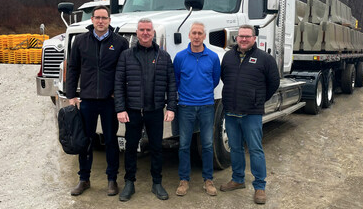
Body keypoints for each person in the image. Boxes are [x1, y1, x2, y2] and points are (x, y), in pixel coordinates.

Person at [66, 5, 129, 197]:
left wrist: (119, 96)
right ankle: (84, 179)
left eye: (104, 18)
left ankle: (112, 180)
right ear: (92, 20)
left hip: (109, 101)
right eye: (97, 18)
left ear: (110, 20)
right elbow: (73, 68)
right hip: (87, 100)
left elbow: (123, 72)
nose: (101, 21)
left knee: (111, 141)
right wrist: (71, 95)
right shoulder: (80, 41)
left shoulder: (120, 43)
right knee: (85, 141)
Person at [114, 18, 177, 202]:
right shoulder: (126, 55)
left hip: (155, 110)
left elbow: (171, 84)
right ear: (137, 32)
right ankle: (129, 182)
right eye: (141, 30)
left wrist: (171, 107)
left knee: (157, 147)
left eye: (148, 29)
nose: (145, 33)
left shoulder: (163, 56)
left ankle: (157, 182)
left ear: (153, 32)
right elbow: (118, 84)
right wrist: (120, 108)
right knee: (131, 147)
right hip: (132, 111)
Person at [220, 24, 280, 204]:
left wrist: (258, 99)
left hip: (252, 113)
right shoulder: (228, 57)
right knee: (235, 147)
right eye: (241, 36)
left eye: (247, 36)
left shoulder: (265, 59)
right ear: (236, 38)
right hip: (231, 111)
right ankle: (238, 179)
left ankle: (260, 186)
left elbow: (273, 82)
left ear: (254, 38)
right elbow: (225, 78)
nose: (244, 39)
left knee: (255, 149)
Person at [173, 22, 220, 196]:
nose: (197, 36)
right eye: (194, 33)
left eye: (200, 33)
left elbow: (215, 80)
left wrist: (203, 95)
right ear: (189, 35)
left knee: (207, 144)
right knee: (184, 145)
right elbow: (176, 79)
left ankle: (208, 180)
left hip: (207, 105)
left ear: (204, 36)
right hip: (185, 106)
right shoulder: (180, 57)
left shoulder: (213, 57)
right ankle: (184, 180)